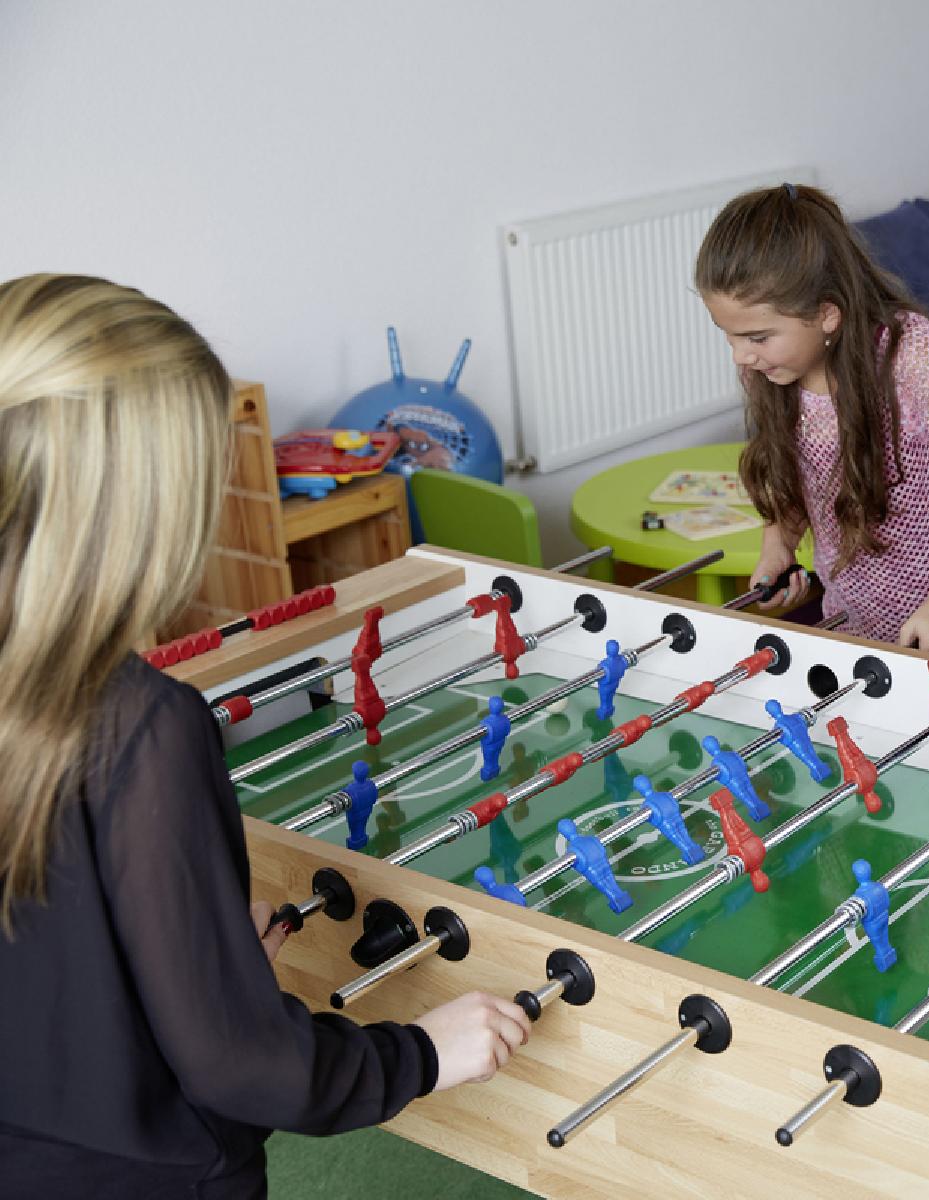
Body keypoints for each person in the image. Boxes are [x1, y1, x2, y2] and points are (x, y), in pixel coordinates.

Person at [0, 274, 531, 1195]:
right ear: (144, 504)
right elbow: (239, 1066)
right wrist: (420, 1052)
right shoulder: (140, 727)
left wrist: (196, 958)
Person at [695, 182, 929, 668]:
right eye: (729, 335)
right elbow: (798, 468)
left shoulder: (923, 361)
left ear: (826, 314)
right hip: (858, 625)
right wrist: (779, 543)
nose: (741, 356)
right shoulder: (773, 366)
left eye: (757, 337)